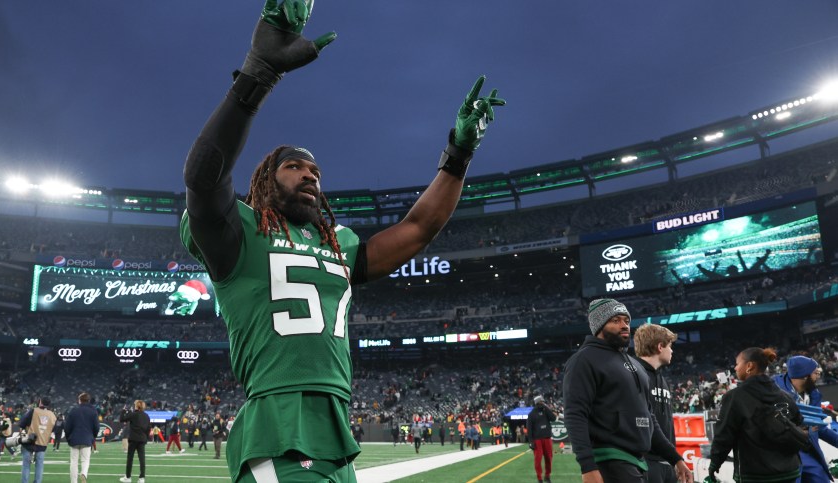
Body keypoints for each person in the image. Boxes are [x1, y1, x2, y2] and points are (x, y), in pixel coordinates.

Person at [179, 0, 504, 481]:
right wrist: (259, 73)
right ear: (265, 178)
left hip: (334, 430)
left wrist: (457, 157)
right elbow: (204, 178)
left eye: (315, 170)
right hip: (277, 427)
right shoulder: (240, 232)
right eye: (294, 166)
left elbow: (418, 229)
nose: (310, 174)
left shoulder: (340, 242)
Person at [563, 299, 692, 483]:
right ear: (599, 324)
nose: (624, 326)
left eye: (626, 320)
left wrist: (676, 458)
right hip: (610, 460)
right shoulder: (583, 360)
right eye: (616, 320)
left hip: (638, 461)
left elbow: (649, 419)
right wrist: (587, 466)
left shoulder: (633, 364)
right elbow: (575, 414)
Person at [709, 347, 804, 483]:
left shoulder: (735, 397)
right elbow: (799, 424)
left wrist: (715, 463)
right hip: (790, 472)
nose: (735, 368)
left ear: (749, 366)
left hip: (755, 475)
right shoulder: (785, 396)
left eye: (737, 364)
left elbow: (724, 434)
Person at [773, 355, 837, 483]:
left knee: (821, 478)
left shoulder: (813, 395)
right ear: (804, 375)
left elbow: (820, 427)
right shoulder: (774, 392)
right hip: (784, 452)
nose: (818, 376)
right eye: (815, 373)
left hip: (807, 450)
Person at [634, 324, 680, 483]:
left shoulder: (662, 379)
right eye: (670, 346)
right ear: (660, 347)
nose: (672, 350)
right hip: (645, 462)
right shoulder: (633, 376)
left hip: (667, 461)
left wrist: (673, 459)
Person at [18, 396, 57, 483]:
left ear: (40, 402)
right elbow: (54, 429)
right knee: (39, 465)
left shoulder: (33, 411)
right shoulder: (53, 415)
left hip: (30, 441)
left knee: (26, 465)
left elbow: (22, 423)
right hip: (43, 442)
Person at [65, 392, 100, 483]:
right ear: (88, 400)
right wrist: (93, 437)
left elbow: (67, 427)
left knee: (74, 462)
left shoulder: (73, 410)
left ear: (79, 400)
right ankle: (84, 473)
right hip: (87, 438)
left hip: (74, 439)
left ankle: (73, 481)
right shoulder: (93, 411)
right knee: (85, 460)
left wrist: (68, 437)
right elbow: (97, 427)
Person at [527, 395, 557, 483]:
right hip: (537, 440)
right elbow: (529, 429)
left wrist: (546, 408)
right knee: (538, 459)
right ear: (537, 403)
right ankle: (539, 478)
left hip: (547, 438)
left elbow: (554, 418)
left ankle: (547, 476)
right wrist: (530, 441)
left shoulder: (546, 411)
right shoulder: (531, 414)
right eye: (542, 402)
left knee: (549, 458)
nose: (543, 403)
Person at [120, 400, 150, 483]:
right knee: (142, 459)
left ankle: (128, 477)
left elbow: (122, 419)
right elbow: (148, 428)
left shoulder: (133, 414)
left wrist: (123, 410)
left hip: (133, 439)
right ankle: (142, 478)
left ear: (136, 406)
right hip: (142, 440)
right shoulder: (146, 415)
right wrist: (146, 438)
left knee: (130, 459)